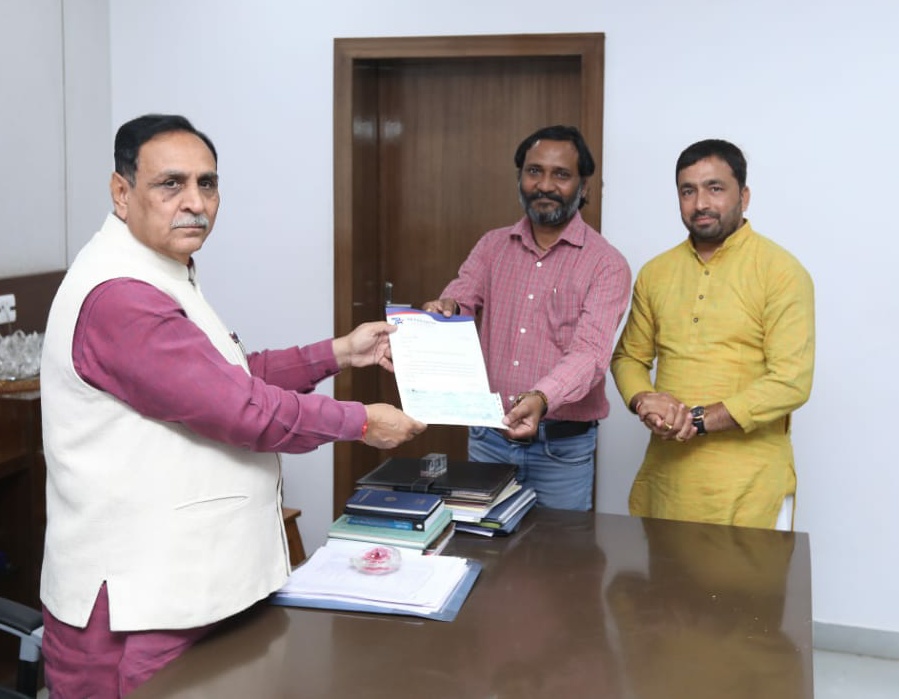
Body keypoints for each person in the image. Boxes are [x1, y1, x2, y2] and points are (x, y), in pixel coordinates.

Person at [39, 113, 426, 697]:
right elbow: (239, 407)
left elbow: (224, 377)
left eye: (207, 184)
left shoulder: (161, 272)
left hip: (181, 590)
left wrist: (339, 353)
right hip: (136, 607)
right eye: (171, 184)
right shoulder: (120, 296)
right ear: (121, 193)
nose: (195, 203)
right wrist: (362, 421)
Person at [423, 125, 631, 511]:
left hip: (561, 449)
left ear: (584, 186)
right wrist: (445, 310)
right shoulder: (492, 245)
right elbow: (460, 300)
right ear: (520, 178)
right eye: (535, 171)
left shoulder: (607, 264)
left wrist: (541, 397)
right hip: (489, 438)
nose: (545, 185)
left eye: (561, 174)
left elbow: (590, 353)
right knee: (483, 542)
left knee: (560, 548)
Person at [610, 138, 814, 529]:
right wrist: (644, 399)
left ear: (744, 196)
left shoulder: (781, 272)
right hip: (667, 485)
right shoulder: (656, 273)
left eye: (715, 188)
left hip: (750, 491)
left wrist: (699, 419)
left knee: (749, 574)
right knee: (660, 573)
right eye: (688, 191)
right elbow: (628, 357)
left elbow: (791, 381)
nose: (700, 202)